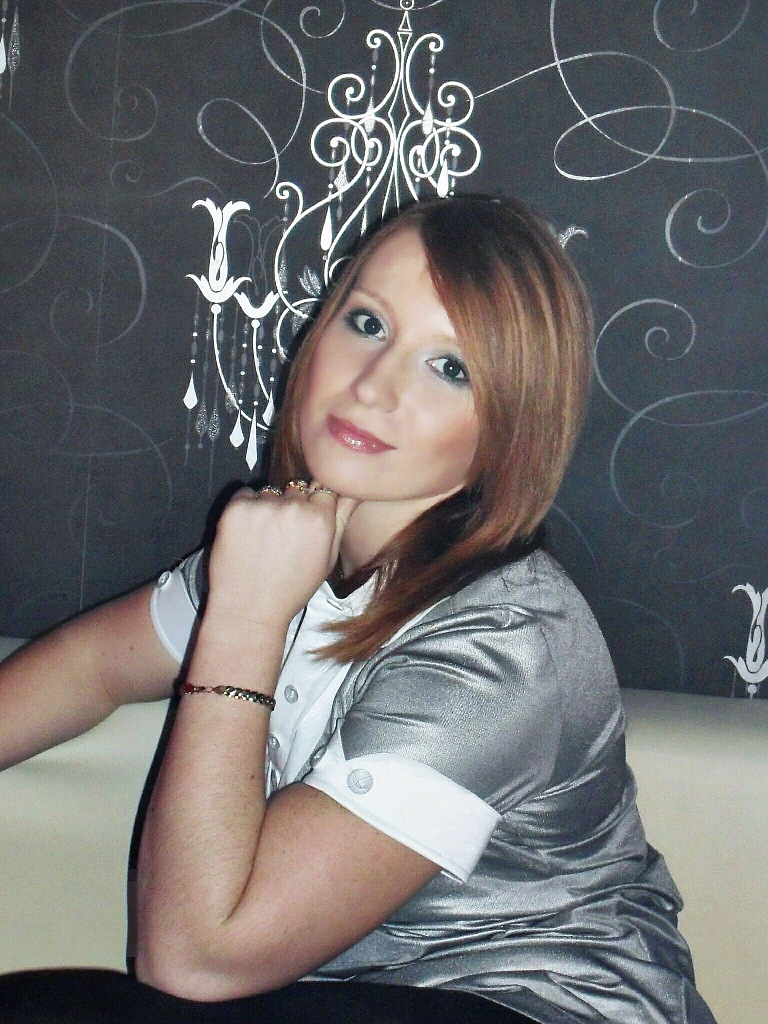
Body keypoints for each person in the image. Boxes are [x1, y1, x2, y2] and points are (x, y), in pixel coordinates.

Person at [0, 196, 717, 1024]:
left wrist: (246, 621)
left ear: (511, 422)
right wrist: (248, 601)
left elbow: (195, 959)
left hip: (539, 1003)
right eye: (368, 324)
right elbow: (89, 668)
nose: (374, 387)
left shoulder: (508, 645)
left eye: (450, 368)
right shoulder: (278, 549)